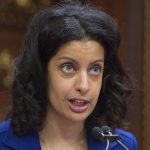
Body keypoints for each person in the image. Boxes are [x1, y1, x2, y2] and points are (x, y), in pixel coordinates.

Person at [0, 0, 137, 149]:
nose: (84, 86)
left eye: (95, 69)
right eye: (68, 67)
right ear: (41, 71)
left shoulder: (121, 145)